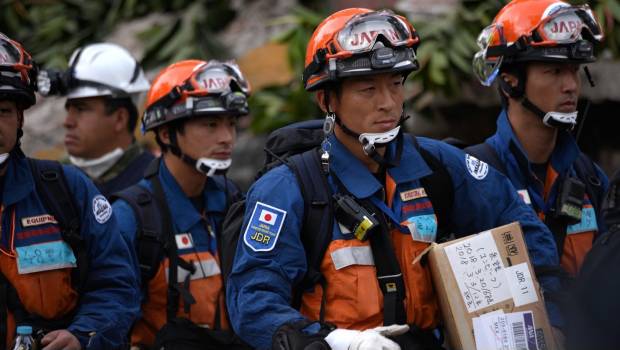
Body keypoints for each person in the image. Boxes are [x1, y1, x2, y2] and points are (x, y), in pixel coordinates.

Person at [226, 8, 559, 350]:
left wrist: (554, 317)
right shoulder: (288, 189)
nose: (388, 103)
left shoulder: (437, 165)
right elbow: (252, 301)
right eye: (368, 89)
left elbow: (518, 226)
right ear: (327, 100)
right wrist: (335, 342)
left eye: (396, 84)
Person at [469, 0, 609, 330]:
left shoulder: (591, 179)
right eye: (554, 71)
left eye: (574, 71)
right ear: (510, 80)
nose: (571, 85)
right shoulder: (475, 176)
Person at [0, 33, 140, 349]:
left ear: (21, 117)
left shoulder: (65, 188)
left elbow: (115, 284)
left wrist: (83, 335)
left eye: (3, 111)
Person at [112, 59, 250, 349]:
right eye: (211, 124)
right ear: (166, 134)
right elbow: (107, 315)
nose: (226, 138)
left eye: (231, 124)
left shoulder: (233, 201)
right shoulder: (132, 217)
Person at [38, 42, 154, 197]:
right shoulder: (55, 183)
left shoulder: (157, 185)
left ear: (120, 118)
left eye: (81, 109)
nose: (67, 122)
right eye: (69, 110)